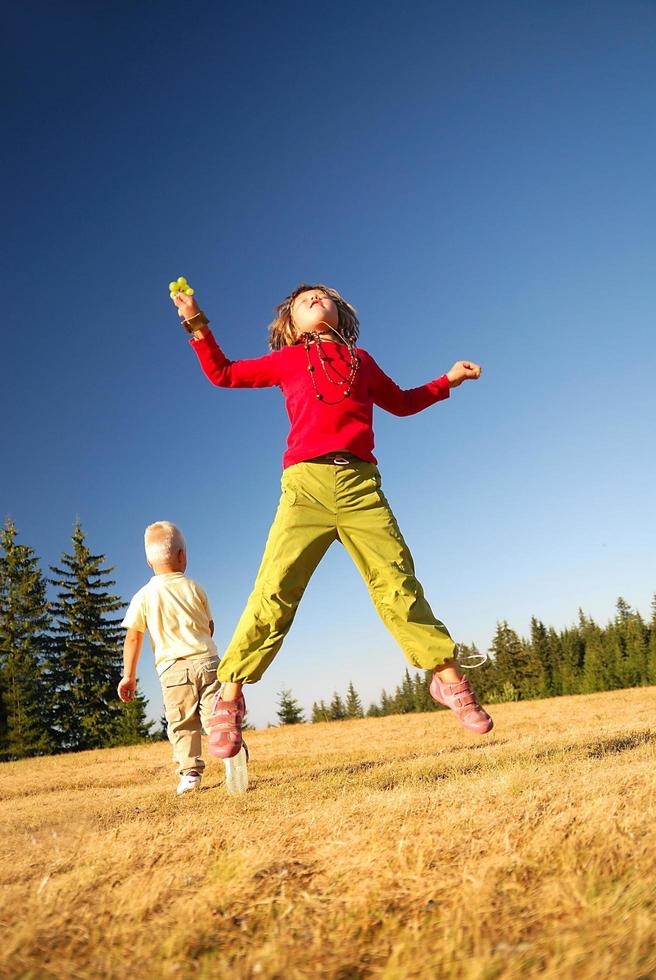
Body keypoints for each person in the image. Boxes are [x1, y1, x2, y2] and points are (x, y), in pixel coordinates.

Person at [172, 282, 494, 758]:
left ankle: (449, 682)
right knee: (274, 588)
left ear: (341, 316)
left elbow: (402, 402)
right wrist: (195, 321)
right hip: (304, 489)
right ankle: (230, 699)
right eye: (304, 300)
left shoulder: (361, 361)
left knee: (397, 582)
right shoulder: (287, 361)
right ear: (290, 325)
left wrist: (447, 380)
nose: (315, 298)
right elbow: (222, 373)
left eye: (323, 296)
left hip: (361, 487)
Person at [118, 520, 248, 795]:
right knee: (216, 715)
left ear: (148, 561)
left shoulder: (143, 596)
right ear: (182, 556)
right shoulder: (195, 588)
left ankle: (190, 774)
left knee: (182, 723)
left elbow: (133, 637)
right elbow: (210, 627)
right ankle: (230, 751)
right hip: (208, 661)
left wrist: (128, 676)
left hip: (173, 670)